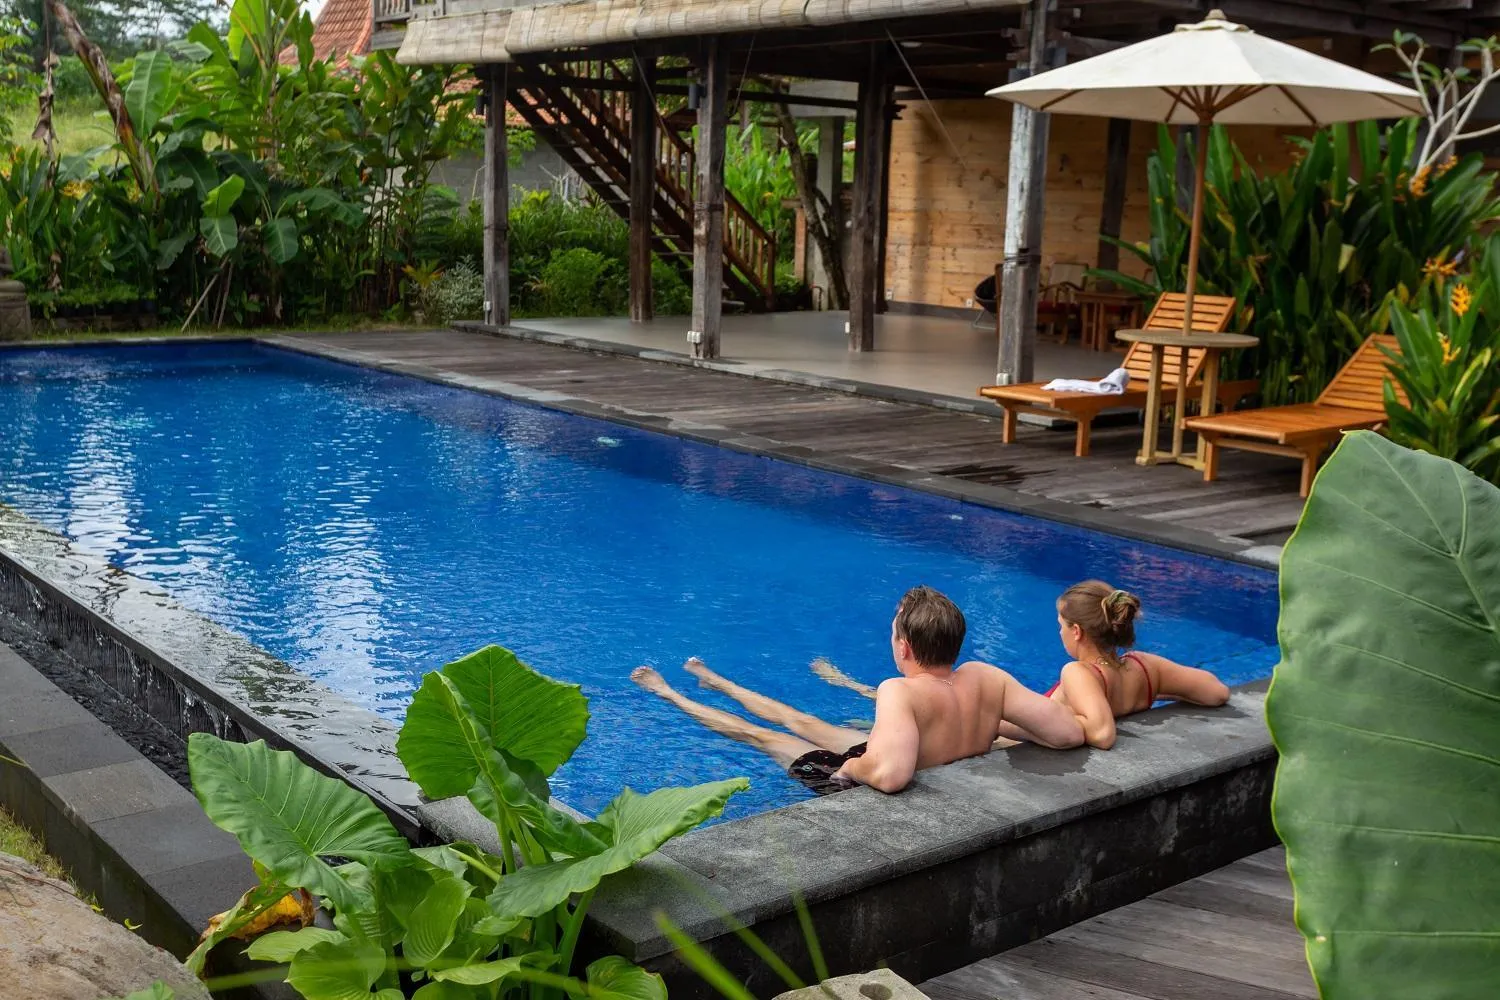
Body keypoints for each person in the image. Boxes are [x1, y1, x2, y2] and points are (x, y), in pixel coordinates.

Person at [630, 586, 1084, 795]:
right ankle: (716, 681)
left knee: (763, 735)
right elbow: (1066, 732)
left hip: (865, 772)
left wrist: (852, 767)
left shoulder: (898, 689)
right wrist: (994, 719)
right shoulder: (987, 677)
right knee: (801, 720)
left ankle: (672, 694)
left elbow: (891, 775)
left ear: (904, 647)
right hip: (899, 750)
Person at [1013, 580, 1230, 751]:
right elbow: (1216, 691)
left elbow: (1102, 735)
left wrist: (1064, 717)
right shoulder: (1144, 666)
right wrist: (1160, 691)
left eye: (1061, 625)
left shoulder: (1079, 673)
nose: (1060, 632)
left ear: (1077, 631)